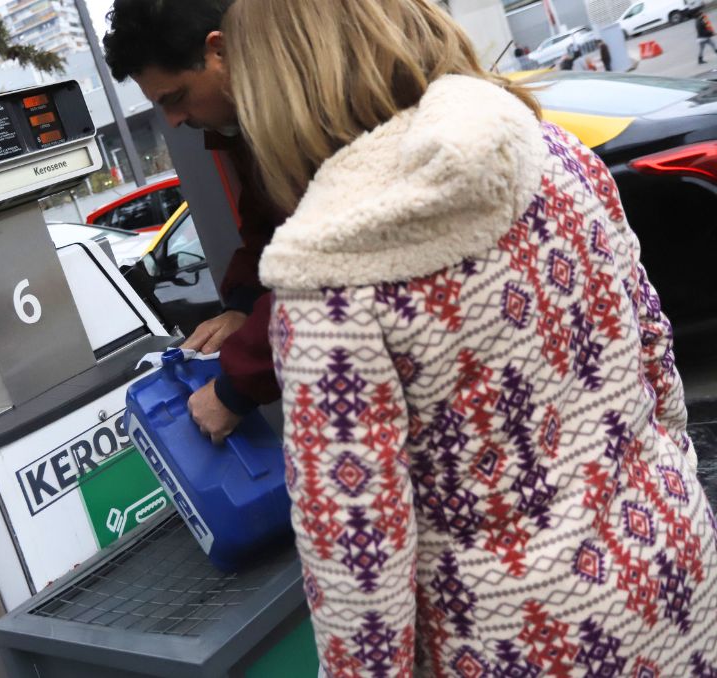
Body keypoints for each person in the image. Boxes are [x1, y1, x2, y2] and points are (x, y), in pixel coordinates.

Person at [223, 0, 717, 672]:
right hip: (673, 567)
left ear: (275, 88)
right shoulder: (554, 151)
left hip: (519, 644)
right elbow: (654, 349)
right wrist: (674, 476)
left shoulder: (329, 284)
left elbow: (359, 569)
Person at [103, 0, 287, 444]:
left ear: (218, 51)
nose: (174, 120)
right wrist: (244, 304)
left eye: (176, 97)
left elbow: (332, 275)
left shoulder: (314, 116)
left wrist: (235, 390)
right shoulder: (249, 123)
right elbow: (268, 223)